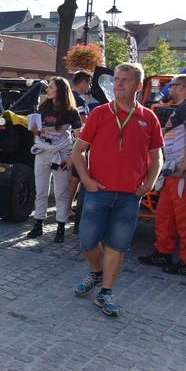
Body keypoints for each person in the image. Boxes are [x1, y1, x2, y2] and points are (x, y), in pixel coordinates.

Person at [71, 63, 163, 317]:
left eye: (125, 80)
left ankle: (106, 292)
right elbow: (77, 152)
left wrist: (149, 184)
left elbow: (157, 158)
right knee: (88, 241)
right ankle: (96, 273)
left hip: (129, 197)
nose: (118, 84)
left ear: (138, 86)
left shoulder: (149, 117)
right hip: (97, 191)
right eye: (117, 79)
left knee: (117, 245)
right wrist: (87, 181)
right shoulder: (100, 113)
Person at [138, 73, 186, 275]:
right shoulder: (180, 108)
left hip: (181, 172)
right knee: (164, 214)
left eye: (172, 85)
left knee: (184, 218)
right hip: (172, 171)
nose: (168, 90)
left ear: (181, 88)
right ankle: (164, 251)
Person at [26, 77, 81, 242]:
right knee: (41, 191)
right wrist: (35, 131)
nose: (47, 90)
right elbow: (39, 132)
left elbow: (80, 137)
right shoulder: (44, 107)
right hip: (43, 152)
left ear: (60, 90)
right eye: (48, 87)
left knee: (61, 193)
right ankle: (38, 225)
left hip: (62, 154)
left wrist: (72, 157)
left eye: (50, 87)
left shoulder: (72, 111)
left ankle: (60, 228)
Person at [67, 70, 93, 229]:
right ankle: (68, 208)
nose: (89, 86)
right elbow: (84, 121)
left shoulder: (66, 96)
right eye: (88, 83)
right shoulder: (79, 99)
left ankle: (65, 206)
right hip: (77, 141)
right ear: (82, 82)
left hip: (65, 141)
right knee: (75, 177)